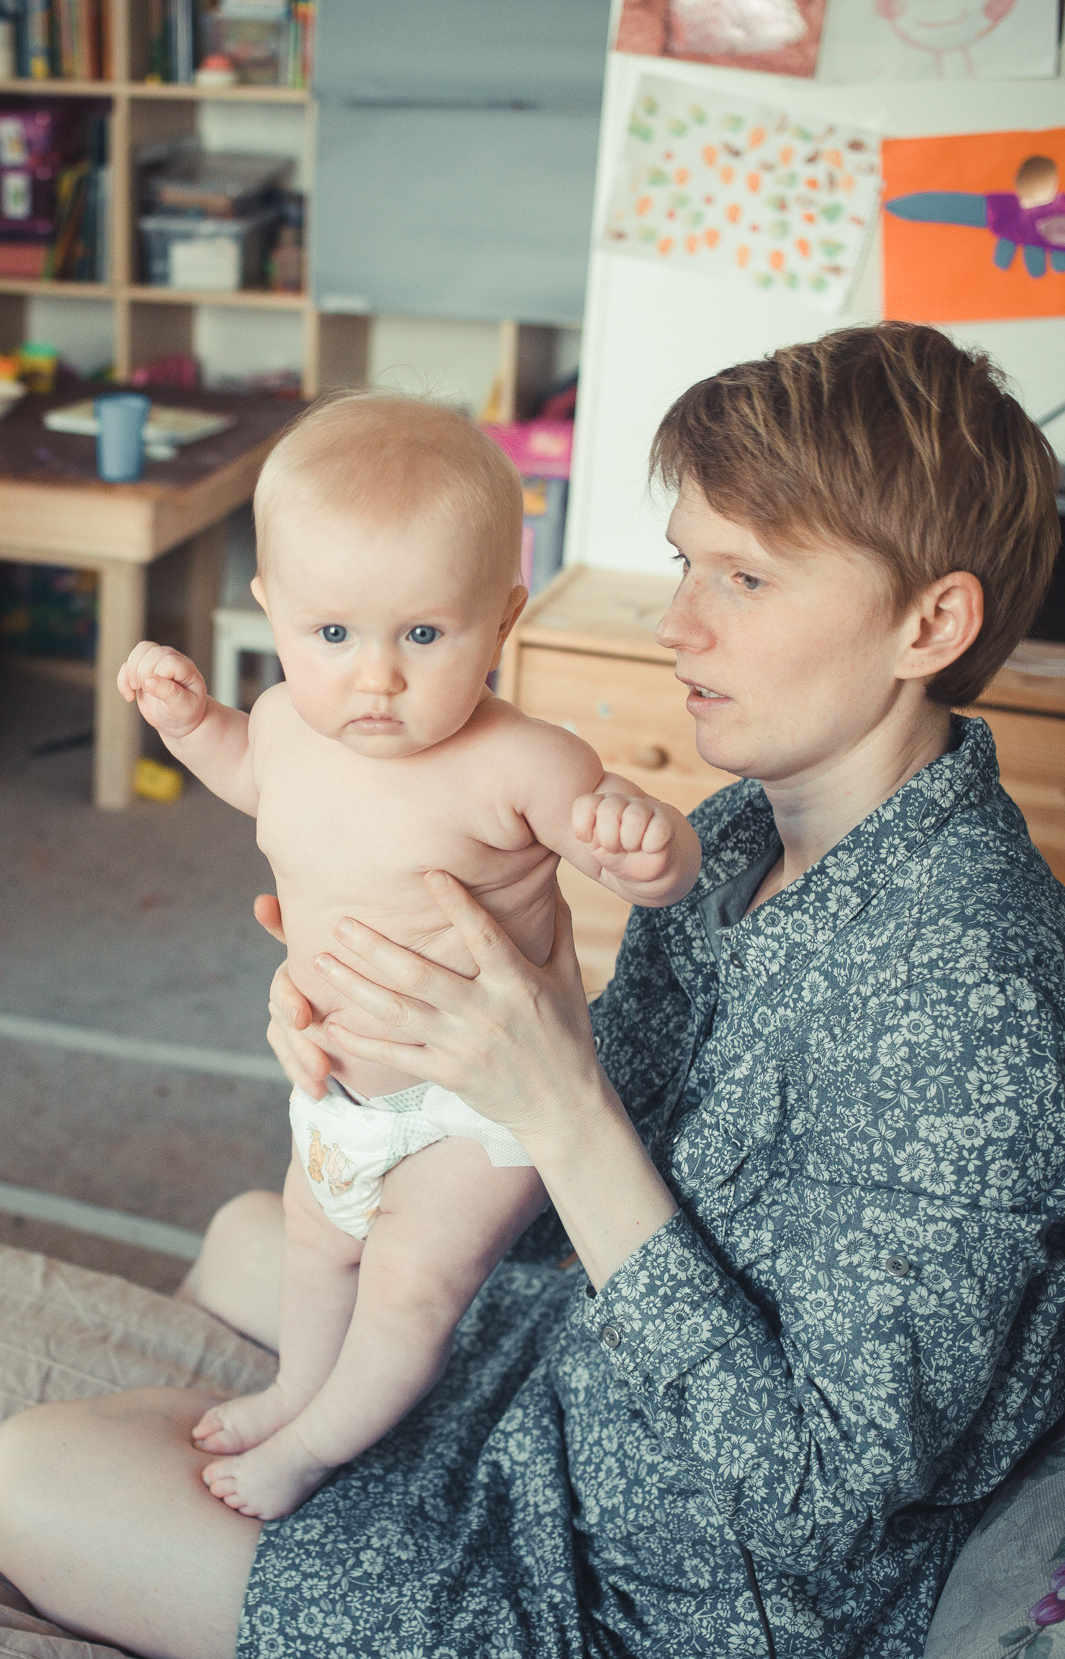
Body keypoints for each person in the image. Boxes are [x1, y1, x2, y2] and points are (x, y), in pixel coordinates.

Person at [0, 323, 1065, 1659]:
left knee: (35, 1478)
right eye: (689, 561)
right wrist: (384, 1030)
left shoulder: (985, 1004)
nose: (677, 621)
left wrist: (553, 1098)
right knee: (261, 1233)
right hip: (583, 1356)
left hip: (653, 1579)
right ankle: (340, 1400)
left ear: (930, 622)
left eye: (746, 577)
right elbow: (620, 1127)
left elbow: (813, 1494)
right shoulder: (745, 833)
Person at [113, 393, 702, 1522]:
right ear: (272, 609)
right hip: (341, 1088)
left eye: (423, 636)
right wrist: (189, 724)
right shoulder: (284, 721)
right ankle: (297, 1387)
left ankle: (316, 1445)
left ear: (502, 617)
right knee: (313, 1240)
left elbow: (646, 867)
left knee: (407, 1281)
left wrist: (651, 843)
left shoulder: (523, 761)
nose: (374, 677)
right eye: (332, 635)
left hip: (481, 1110)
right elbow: (246, 772)